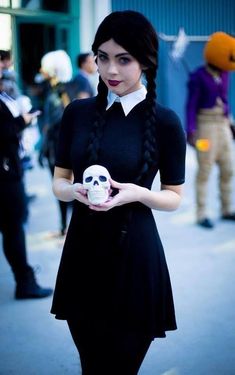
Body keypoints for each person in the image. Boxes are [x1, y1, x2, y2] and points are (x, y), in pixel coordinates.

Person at [51, 10, 186, 375]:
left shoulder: (165, 122)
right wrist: (74, 192)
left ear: (145, 60)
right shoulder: (77, 114)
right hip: (82, 255)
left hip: (136, 259)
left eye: (123, 59)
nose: (111, 70)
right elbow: (59, 182)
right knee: (91, 366)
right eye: (103, 57)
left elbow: (174, 196)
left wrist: (137, 194)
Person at [0, 63, 53, 299]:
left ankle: (25, 278)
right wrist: (23, 121)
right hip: (5, 174)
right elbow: (3, 131)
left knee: (13, 227)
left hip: (9, 169)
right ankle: (25, 281)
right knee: (14, 227)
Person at [186, 32, 235, 229]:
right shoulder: (197, 76)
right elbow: (190, 105)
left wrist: (230, 122)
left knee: (229, 168)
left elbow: (224, 99)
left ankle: (226, 209)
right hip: (205, 128)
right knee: (204, 170)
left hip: (222, 125)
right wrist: (191, 130)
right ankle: (201, 213)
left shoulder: (225, 73)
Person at [39, 50, 73, 236]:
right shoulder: (53, 89)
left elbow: (61, 120)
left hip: (60, 148)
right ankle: (64, 227)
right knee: (60, 188)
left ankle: (68, 228)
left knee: (66, 188)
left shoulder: (62, 91)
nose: (41, 70)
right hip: (53, 147)